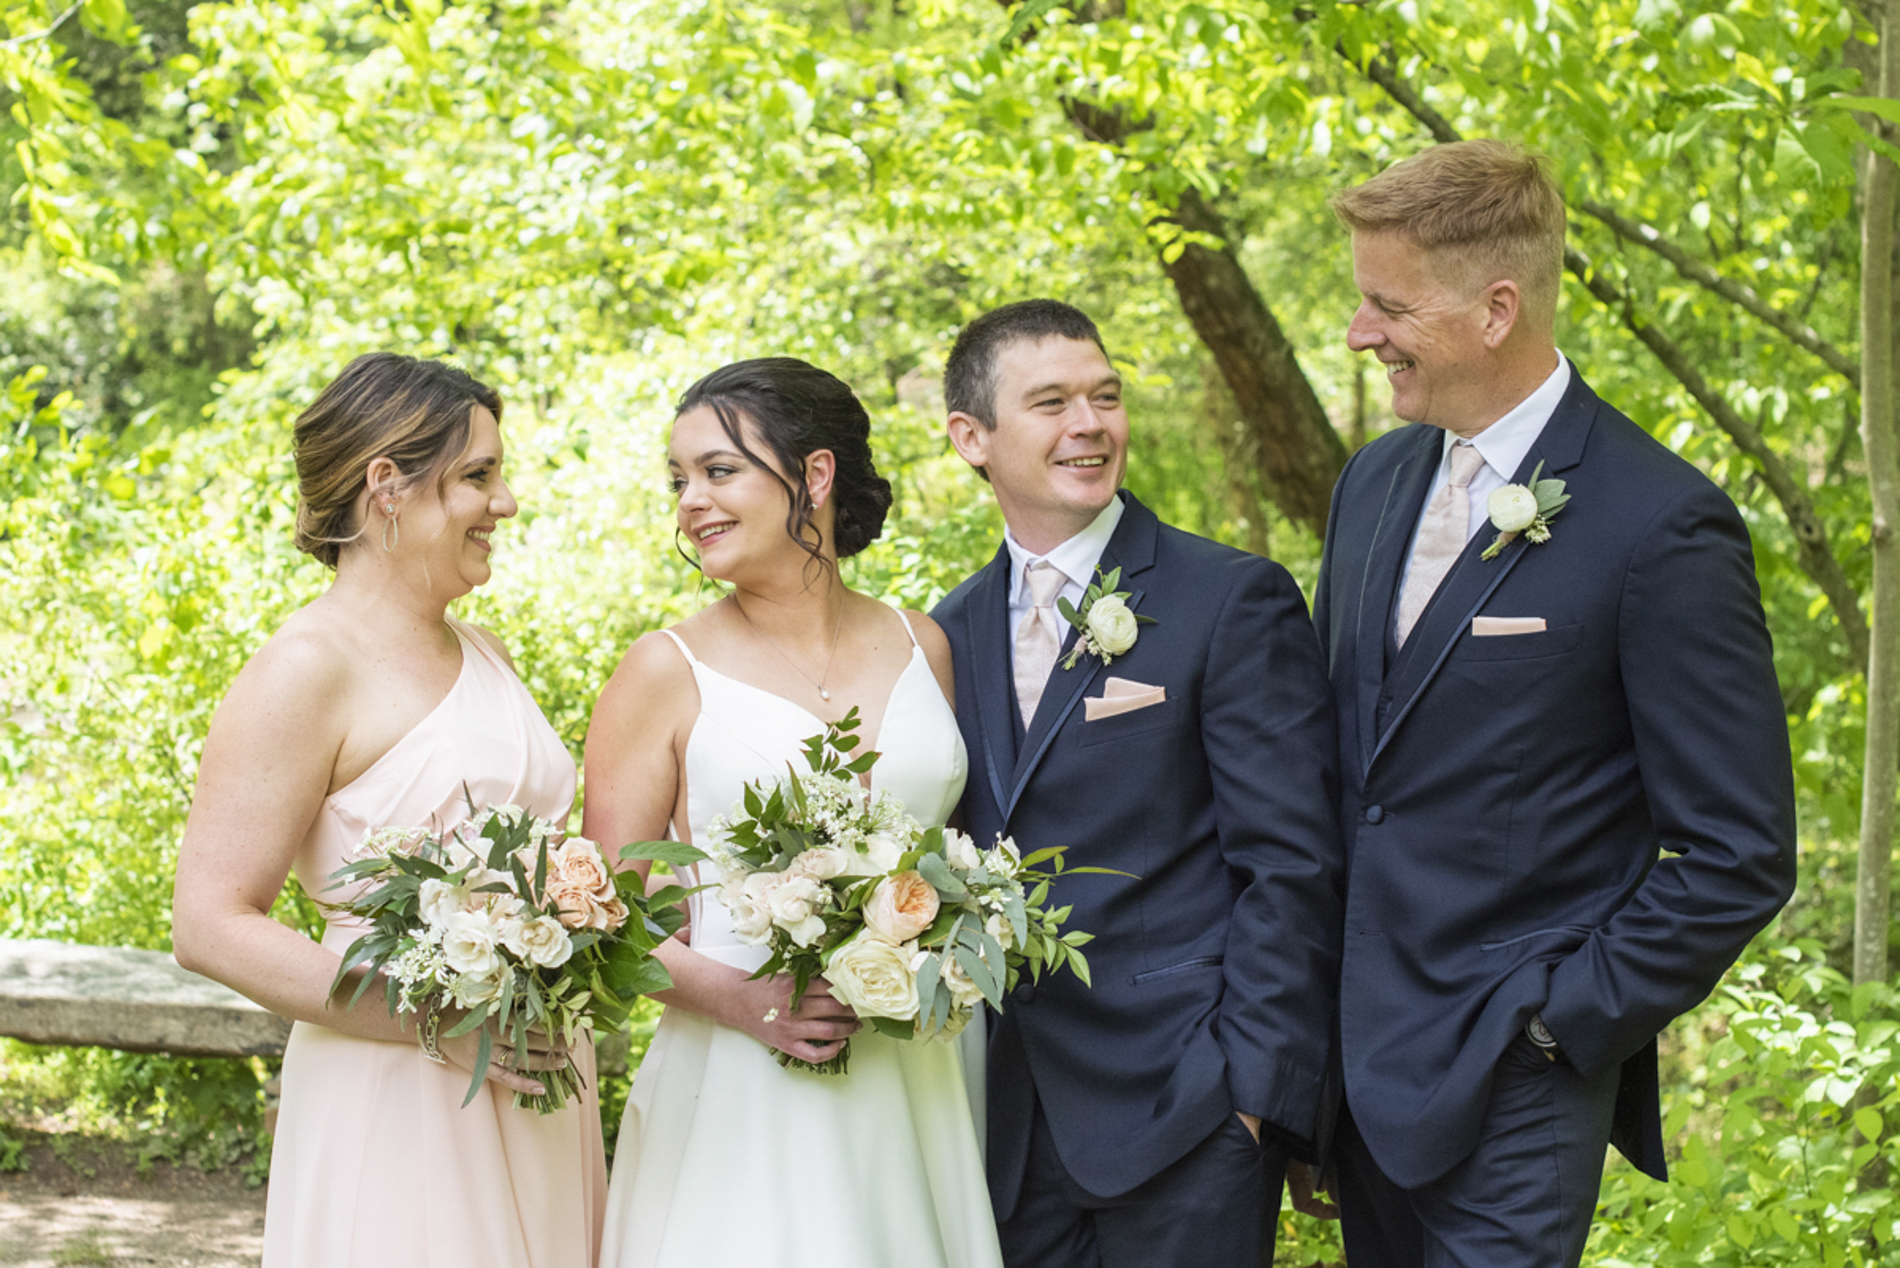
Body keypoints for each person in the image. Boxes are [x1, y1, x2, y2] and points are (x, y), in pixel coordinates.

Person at [1309, 139, 1798, 1266]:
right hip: (1358, 1065)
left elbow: (1739, 849)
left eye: (1388, 305)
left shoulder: (1660, 524)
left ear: (1495, 308)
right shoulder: (1374, 482)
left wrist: (1562, 1023)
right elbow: (1349, 767)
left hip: (1518, 1080)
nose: (1357, 332)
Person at [931, 299, 1345, 1268]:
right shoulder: (946, 632)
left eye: (1104, 396)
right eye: (1051, 402)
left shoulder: (1228, 598)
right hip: (1006, 1127)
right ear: (971, 437)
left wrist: (1255, 1100)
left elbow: (1291, 864)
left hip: (1186, 1108)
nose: (1090, 423)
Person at [171, 353, 606, 1267]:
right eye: (479, 476)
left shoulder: (485, 651)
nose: (508, 502)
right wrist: (444, 1020)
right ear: (388, 487)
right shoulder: (305, 668)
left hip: (536, 1076)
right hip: (399, 1085)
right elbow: (209, 923)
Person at [585, 357, 1002, 1268]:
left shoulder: (919, 642)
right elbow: (602, 919)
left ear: (814, 475)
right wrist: (744, 1002)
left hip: (912, 1069)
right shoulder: (662, 671)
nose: (692, 501)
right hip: (739, 1080)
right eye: (680, 480)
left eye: (719, 471)